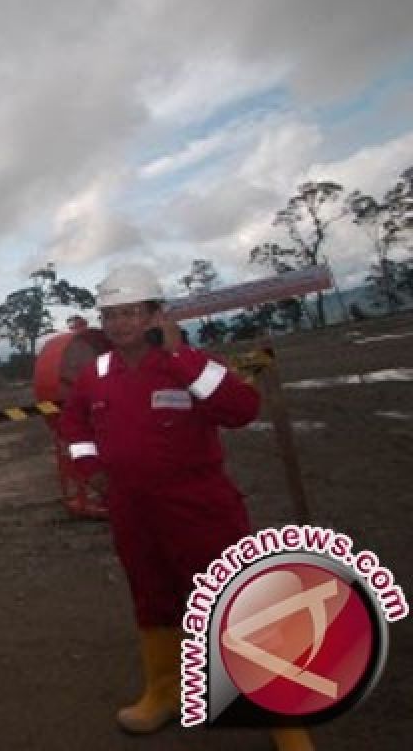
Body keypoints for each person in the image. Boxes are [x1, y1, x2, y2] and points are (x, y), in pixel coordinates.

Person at [59, 263, 313, 751]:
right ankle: (164, 692)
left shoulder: (190, 361)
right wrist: (97, 475)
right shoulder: (97, 374)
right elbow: (74, 430)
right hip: (133, 511)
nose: (120, 324)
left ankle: (282, 714)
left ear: (157, 314)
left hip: (199, 505)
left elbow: (242, 409)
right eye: (111, 315)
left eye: (132, 312)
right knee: (153, 598)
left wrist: (180, 355)